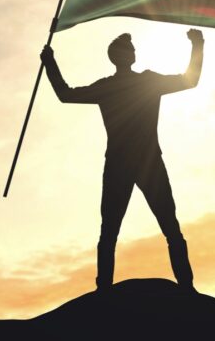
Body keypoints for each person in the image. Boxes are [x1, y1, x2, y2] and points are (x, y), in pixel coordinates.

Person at [40, 29, 204, 292]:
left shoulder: (117, 86)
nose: (132, 53)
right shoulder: (137, 83)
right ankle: (110, 288)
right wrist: (197, 44)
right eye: (129, 50)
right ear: (123, 57)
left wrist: (50, 63)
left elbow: (65, 94)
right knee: (128, 229)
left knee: (153, 227)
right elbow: (190, 80)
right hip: (137, 162)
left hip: (134, 161)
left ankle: (182, 286)